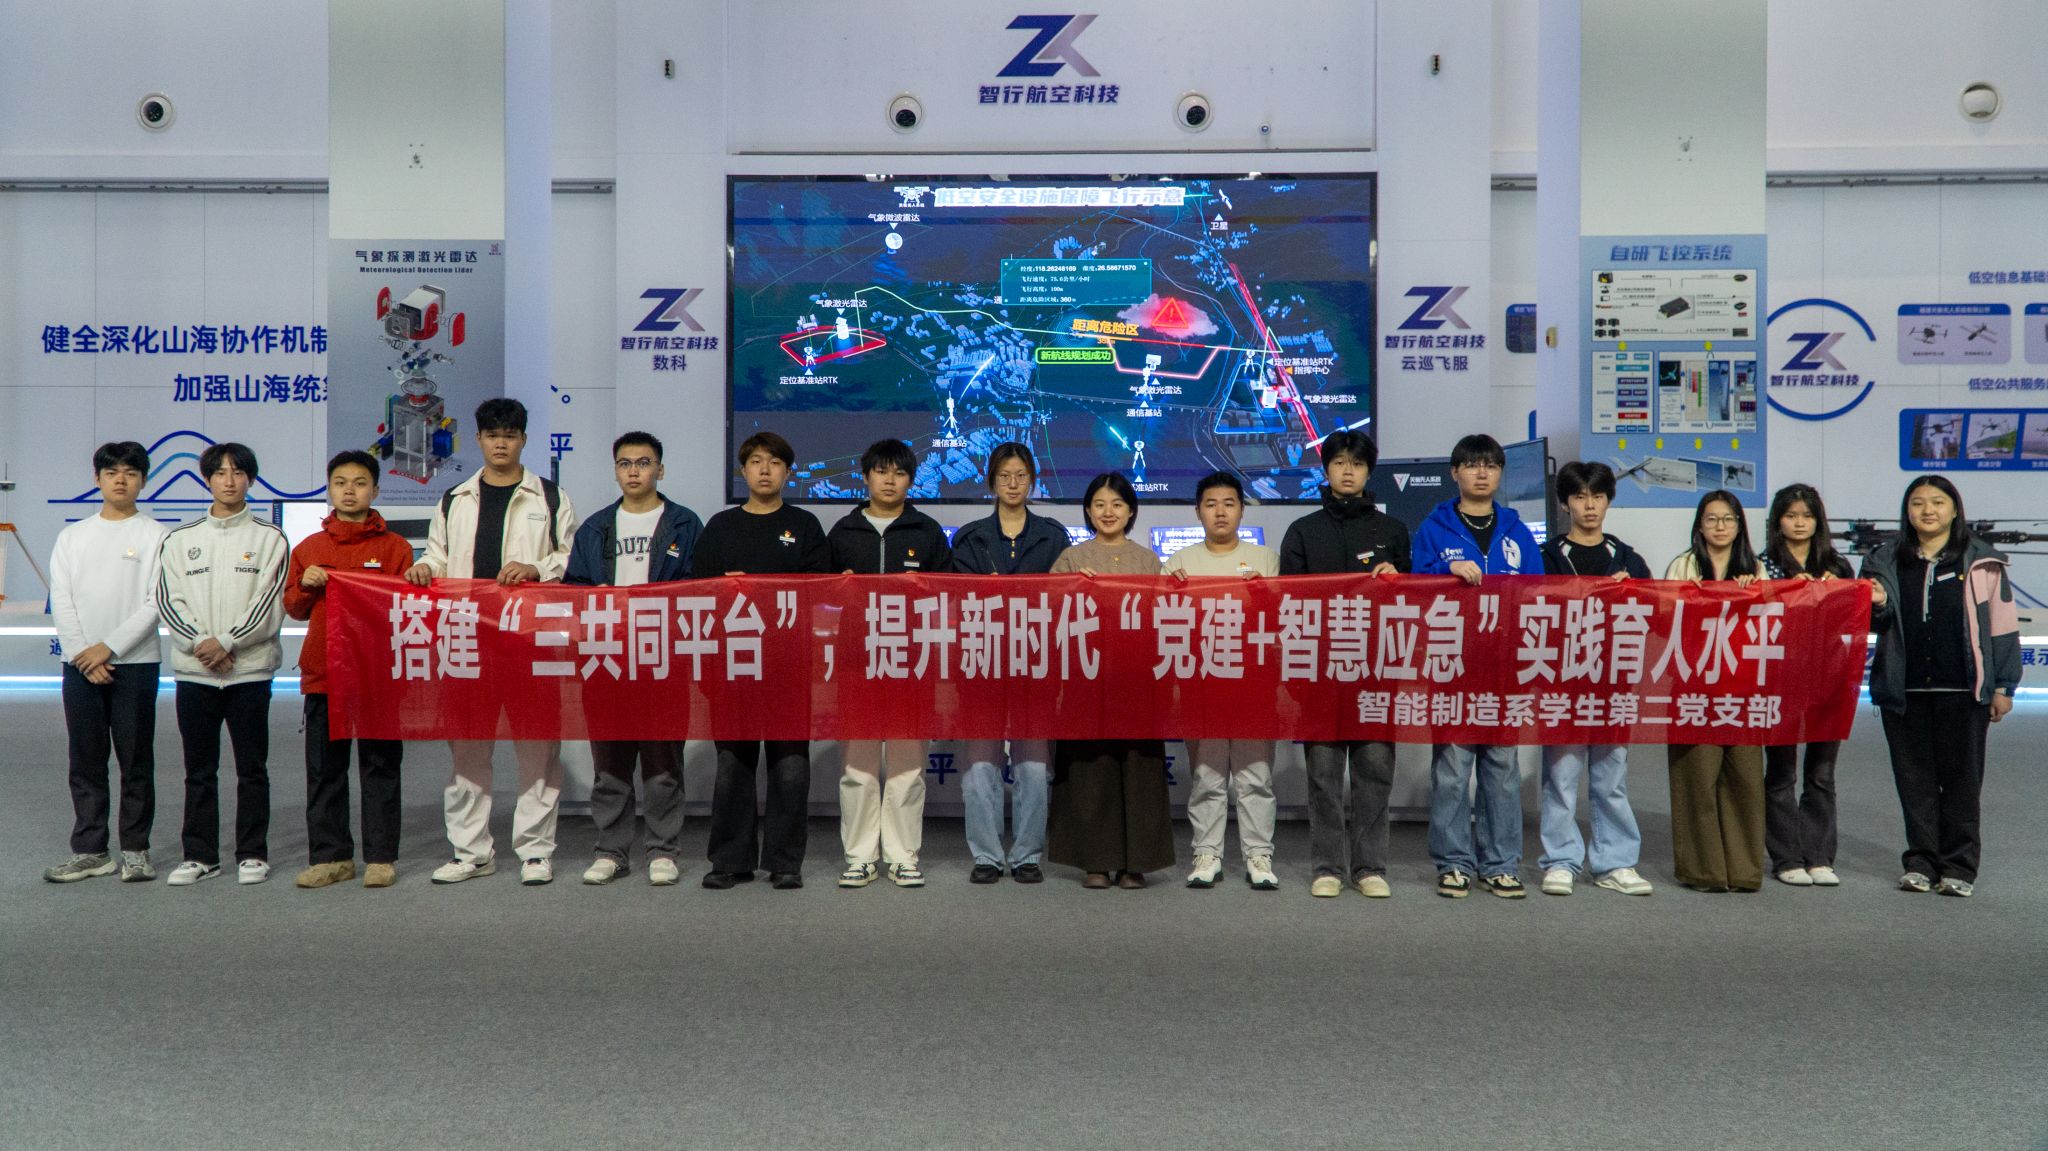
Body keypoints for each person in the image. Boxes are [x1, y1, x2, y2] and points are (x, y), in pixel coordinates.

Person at [406, 398, 577, 886]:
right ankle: (471, 851)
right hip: (468, 637)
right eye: (492, 435)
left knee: (537, 748)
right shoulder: (454, 498)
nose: (501, 443)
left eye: (510, 435)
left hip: (529, 640)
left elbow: (571, 558)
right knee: (467, 749)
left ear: (524, 440)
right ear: (479, 440)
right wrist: (424, 568)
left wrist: (536, 568)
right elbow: (438, 557)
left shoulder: (550, 497)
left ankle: (536, 852)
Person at [1860, 476, 2018, 898]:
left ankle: (1959, 867)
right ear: (1907, 510)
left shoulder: (1982, 561)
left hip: (1963, 691)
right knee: (1914, 783)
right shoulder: (1884, 560)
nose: (1927, 511)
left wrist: (2004, 685)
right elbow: (1871, 622)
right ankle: (1920, 863)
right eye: (1917, 503)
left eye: (1937, 502)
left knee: (1963, 783)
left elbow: (2003, 628)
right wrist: (1878, 604)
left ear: (1954, 509)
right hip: (1905, 689)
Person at [564, 431, 702, 887]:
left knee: (663, 760)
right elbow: (573, 589)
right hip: (607, 656)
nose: (634, 471)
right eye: (625, 464)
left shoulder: (684, 524)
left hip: (662, 655)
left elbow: (702, 589)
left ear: (660, 469)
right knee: (610, 761)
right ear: (616, 471)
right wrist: (594, 599)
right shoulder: (596, 527)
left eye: (643, 463)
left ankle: (663, 850)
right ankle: (611, 851)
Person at [695, 431, 830, 890]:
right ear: (743, 471)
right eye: (755, 461)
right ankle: (729, 860)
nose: (765, 469)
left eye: (774, 462)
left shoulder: (805, 525)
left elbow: (822, 591)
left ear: (787, 472)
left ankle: (785, 861)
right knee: (732, 765)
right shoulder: (720, 526)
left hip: (788, 664)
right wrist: (724, 586)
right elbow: (697, 593)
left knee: (790, 766)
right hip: (732, 663)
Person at [1412, 433, 1544, 899]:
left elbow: (1538, 595)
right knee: (1452, 770)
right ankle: (1453, 863)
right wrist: (1445, 573)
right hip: (1452, 666)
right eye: (1472, 465)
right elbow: (1412, 588)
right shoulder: (1433, 528)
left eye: (1490, 465)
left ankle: (1501, 864)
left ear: (1500, 473)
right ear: (1455, 473)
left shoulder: (1517, 530)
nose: (1481, 473)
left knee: (1502, 770)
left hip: (1505, 668)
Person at [1279, 429, 1409, 899]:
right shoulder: (1303, 531)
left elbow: (1413, 605)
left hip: (1376, 670)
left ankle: (1370, 867)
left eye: (1356, 463)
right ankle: (1328, 866)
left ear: (1369, 471)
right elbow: (1288, 605)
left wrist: (1398, 579)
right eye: (1338, 462)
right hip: (1320, 672)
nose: (1348, 471)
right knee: (1324, 776)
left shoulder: (1393, 532)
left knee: (1374, 772)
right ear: (1326, 469)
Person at [156, 442, 290, 886]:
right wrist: (202, 643)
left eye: (237, 473)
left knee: (252, 769)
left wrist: (229, 641)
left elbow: (269, 602)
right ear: (207, 480)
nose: (229, 481)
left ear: (251, 479)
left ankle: (253, 853)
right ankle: (200, 855)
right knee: (199, 770)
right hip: (195, 672)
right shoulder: (180, 539)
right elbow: (168, 600)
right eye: (220, 473)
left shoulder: (270, 539)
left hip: (248, 670)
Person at [284, 450, 417, 890]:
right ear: (329, 489)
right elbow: (293, 608)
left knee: (381, 768)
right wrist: (307, 585)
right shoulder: (310, 549)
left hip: (378, 675)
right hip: (324, 675)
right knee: (325, 770)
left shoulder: (395, 549)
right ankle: (331, 857)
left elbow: (407, 610)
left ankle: (380, 856)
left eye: (359, 483)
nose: (349, 491)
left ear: (375, 490)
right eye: (340, 482)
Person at [827, 438, 952, 888]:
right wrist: (837, 589)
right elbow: (816, 597)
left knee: (907, 766)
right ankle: (860, 856)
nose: (889, 480)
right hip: (855, 663)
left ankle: (902, 856)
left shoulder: (927, 531)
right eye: (881, 471)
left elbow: (949, 594)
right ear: (865, 477)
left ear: (910, 480)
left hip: (910, 663)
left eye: (899, 473)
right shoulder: (843, 532)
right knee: (857, 767)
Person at [43, 442, 169, 884]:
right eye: (112, 472)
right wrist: (85, 653)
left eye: (131, 473)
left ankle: (136, 850)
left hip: (136, 663)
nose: (121, 480)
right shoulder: (72, 537)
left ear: (143, 481)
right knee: (85, 760)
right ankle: (91, 850)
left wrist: (109, 648)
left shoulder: (157, 536)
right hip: (81, 667)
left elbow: (157, 602)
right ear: (96, 479)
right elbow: (61, 599)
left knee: (136, 761)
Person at [948, 442, 1069, 885]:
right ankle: (985, 854)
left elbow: (1064, 598)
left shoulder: (1053, 536)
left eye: (1020, 476)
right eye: (1004, 476)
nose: (1013, 484)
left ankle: (1026, 855)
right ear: (991, 482)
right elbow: (955, 600)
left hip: (1035, 662)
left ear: (1032, 481)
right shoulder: (970, 537)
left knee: (1033, 766)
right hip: (982, 662)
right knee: (980, 765)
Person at [1047, 472, 1174, 889]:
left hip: (1136, 681)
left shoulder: (1148, 560)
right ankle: (1095, 862)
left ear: (1131, 511)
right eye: (1099, 504)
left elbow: (1163, 619)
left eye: (1117, 504)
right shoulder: (1071, 558)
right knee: (1090, 770)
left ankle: (1136, 863)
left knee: (1139, 771)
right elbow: (1047, 612)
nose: (1108, 512)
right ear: (1087, 510)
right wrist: (1070, 588)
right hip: (1086, 680)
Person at [1535, 461, 1654, 897]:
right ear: (1565, 503)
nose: (1590, 505)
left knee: (1611, 779)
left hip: (1613, 683)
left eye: (1598, 496)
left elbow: (1656, 618)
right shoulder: (1546, 557)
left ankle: (1615, 862)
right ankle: (1560, 860)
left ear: (1608, 501)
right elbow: (1528, 613)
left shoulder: (1628, 559)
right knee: (1561, 778)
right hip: (1563, 682)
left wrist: (1633, 592)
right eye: (1580, 496)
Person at [1167, 471, 1281, 890]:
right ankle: (1207, 854)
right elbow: (1163, 623)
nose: (1220, 512)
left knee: (1255, 777)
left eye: (1229, 503)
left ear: (1241, 511)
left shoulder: (1265, 559)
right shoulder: (1179, 564)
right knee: (1207, 776)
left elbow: (1282, 619)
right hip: (1202, 684)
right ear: (1198, 512)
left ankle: (1259, 856)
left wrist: (1263, 593)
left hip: (1253, 684)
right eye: (1211, 504)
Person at [1663, 489, 1766, 893]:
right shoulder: (1682, 565)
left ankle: (1742, 870)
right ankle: (1703, 870)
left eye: (1728, 519)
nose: (1720, 526)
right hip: (1694, 688)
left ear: (1739, 526)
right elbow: (1663, 621)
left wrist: (1754, 593)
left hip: (1743, 690)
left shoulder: (1755, 568)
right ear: (1699, 525)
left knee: (1745, 781)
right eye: (1711, 519)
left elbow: (1773, 624)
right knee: (1697, 779)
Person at [1759, 483, 1855, 888]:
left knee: (1822, 773)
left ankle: (1819, 856)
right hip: (1780, 678)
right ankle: (1786, 857)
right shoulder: (1763, 564)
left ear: (1818, 521)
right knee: (1781, 772)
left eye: (1807, 515)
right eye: (1790, 515)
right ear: (1777, 521)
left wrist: (1833, 594)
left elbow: (1854, 618)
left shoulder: (1837, 565)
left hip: (1830, 676)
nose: (1799, 523)